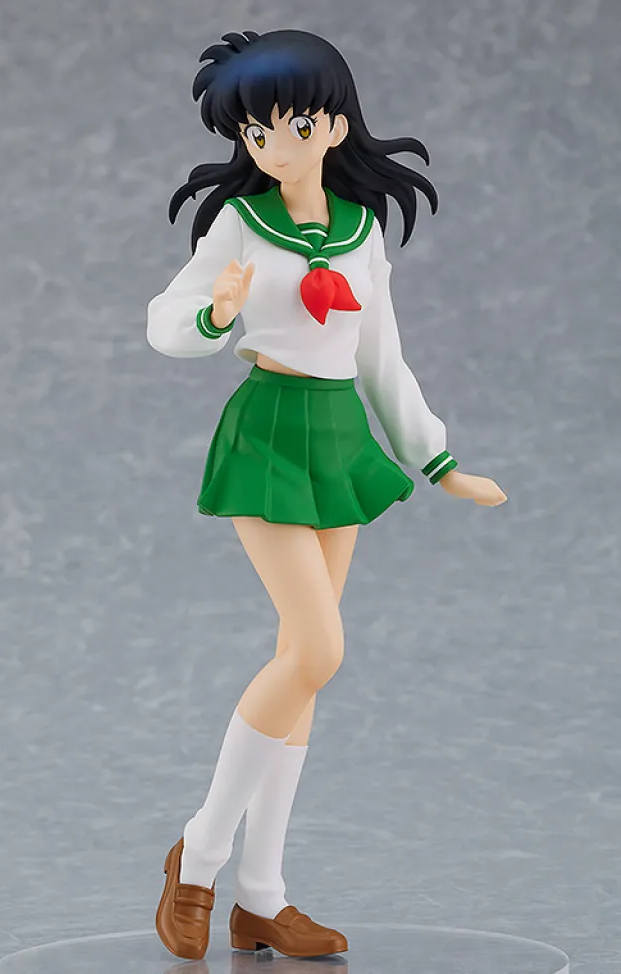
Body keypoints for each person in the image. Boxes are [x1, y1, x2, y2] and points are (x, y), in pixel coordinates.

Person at [147, 28, 507, 961]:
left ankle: (261, 897)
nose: (274, 145)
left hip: (339, 435)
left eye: (295, 125)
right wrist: (214, 314)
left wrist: (437, 459)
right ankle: (198, 856)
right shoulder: (240, 223)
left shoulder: (360, 231)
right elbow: (165, 322)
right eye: (256, 132)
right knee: (318, 649)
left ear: (335, 125)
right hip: (269, 431)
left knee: (300, 668)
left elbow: (383, 357)